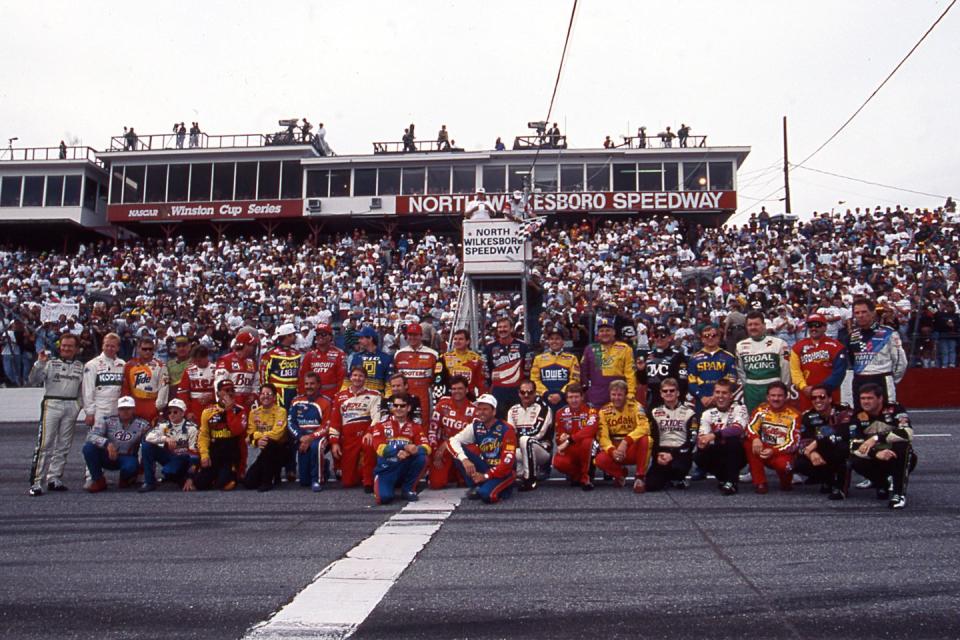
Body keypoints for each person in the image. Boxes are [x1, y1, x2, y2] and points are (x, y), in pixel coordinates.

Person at [28, 333, 84, 496]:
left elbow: (83, 389)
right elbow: (33, 380)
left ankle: (54, 478)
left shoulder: (81, 366)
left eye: (70, 346)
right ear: (60, 346)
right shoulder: (49, 363)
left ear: (76, 349)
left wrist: (78, 405)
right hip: (52, 403)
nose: (66, 348)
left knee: (64, 445)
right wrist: (39, 363)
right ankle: (36, 481)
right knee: (45, 444)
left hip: (71, 405)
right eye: (64, 345)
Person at [849, 383, 916, 509]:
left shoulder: (895, 409)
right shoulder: (857, 415)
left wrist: (876, 438)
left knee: (903, 446)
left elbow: (907, 433)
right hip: (875, 457)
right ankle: (880, 482)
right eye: (863, 398)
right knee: (854, 459)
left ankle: (899, 494)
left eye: (869, 398)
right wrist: (876, 453)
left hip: (894, 455)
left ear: (880, 399)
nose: (865, 402)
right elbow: (854, 444)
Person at [446, 394, 518, 503]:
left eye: (485, 409)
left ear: (494, 412)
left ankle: (493, 487)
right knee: (459, 454)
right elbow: (452, 441)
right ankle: (479, 484)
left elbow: (507, 462)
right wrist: (464, 459)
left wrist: (485, 476)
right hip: (486, 467)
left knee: (486, 496)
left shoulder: (507, 429)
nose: (481, 412)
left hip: (504, 471)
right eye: (479, 409)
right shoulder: (476, 426)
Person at [794, 385, 853, 500]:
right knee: (799, 463)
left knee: (841, 448)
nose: (818, 401)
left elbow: (843, 432)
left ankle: (841, 489)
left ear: (830, 399)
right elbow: (802, 441)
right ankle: (828, 480)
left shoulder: (843, 411)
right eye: (814, 398)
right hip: (822, 453)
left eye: (822, 397)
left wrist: (817, 443)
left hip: (842, 449)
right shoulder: (808, 416)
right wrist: (811, 453)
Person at [845, 297, 907, 408]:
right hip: (860, 381)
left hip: (882, 379)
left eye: (864, 312)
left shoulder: (888, 333)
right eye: (857, 313)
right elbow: (852, 360)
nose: (860, 315)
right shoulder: (852, 336)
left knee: (886, 420)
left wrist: (891, 380)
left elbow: (900, 362)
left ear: (873, 313)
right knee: (860, 419)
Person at [329, 366, 383, 492]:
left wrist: (370, 432)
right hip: (348, 438)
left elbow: (377, 417)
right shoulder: (340, 396)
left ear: (365, 379)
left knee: (369, 444)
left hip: (366, 435)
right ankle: (358, 472)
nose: (357, 378)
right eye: (355, 375)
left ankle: (368, 481)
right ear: (350, 377)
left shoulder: (375, 395)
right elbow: (335, 421)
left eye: (360, 376)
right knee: (348, 482)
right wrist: (334, 442)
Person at [82, 396, 150, 493]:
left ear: (133, 409)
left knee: (131, 466)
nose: (125, 412)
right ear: (118, 410)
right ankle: (98, 480)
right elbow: (91, 436)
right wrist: (106, 444)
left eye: (128, 409)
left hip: (127, 457)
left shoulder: (143, 424)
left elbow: (149, 440)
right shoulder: (107, 421)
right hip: (108, 455)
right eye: (122, 409)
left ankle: (126, 478)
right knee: (88, 448)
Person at [370, 395, 430, 504]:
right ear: (392, 407)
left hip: (404, 467)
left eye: (402, 406)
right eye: (396, 405)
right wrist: (401, 448)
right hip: (387, 468)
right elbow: (380, 449)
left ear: (409, 408)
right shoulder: (380, 426)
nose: (398, 408)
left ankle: (408, 489)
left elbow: (427, 447)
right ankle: (380, 481)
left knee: (422, 458)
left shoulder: (415, 427)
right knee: (384, 499)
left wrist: (410, 451)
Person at [594, 379, 651, 492]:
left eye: (620, 394)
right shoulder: (604, 411)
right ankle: (620, 474)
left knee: (646, 439)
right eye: (613, 394)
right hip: (615, 449)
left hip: (631, 447)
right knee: (598, 460)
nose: (616, 398)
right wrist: (612, 451)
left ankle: (639, 477)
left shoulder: (635, 406)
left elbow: (645, 427)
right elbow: (603, 437)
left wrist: (626, 442)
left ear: (625, 394)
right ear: (609, 395)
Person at [744, 381, 801, 493]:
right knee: (748, 443)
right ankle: (760, 483)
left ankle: (786, 482)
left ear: (786, 397)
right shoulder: (760, 410)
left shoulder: (795, 415)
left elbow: (794, 443)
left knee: (784, 469)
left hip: (782, 453)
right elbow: (750, 427)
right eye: (773, 395)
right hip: (764, 448)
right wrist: (755, 438)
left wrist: (774, 451)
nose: (776, 399)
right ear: (768, 397)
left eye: (779, 395)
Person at [694, 379, 748, 495]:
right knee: (699, 455)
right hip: (718, 451)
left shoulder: (740, 408)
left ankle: (731, 482)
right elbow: (703, 437)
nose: (720, 396)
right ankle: (722, 477)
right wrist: (702, 442)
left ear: (731, 395)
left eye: (724, 393)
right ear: (713, 394)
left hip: (738, 453)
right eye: (717, 392)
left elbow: (737, 429)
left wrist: (714, 435)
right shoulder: (707, 413)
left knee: (732, 440)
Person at [646, 378, 698, 492]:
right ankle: (667, 478)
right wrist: (656, 454)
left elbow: (692, 440)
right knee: (650, 486)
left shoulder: (690, 412)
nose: (668, 393)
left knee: (677, 468)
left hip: (681, 453)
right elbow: (652, 437)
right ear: (661, 394)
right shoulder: (655, 413)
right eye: (665, 391)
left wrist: (673, 454)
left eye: (672, 390)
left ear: (678, 393)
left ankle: (677, 478)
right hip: (662, 452)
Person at [735, 311, 791, 415]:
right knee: (753, 420)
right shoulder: (740, 346)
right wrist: (747, 386)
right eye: (750, 325)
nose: (753, 327)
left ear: (764, 325)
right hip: (751, 390)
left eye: (756, 324)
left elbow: (786, 369)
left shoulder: (779, 343)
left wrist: (783, 389)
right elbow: (740, 371)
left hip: (774, 389)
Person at [790, 313, 848, 412]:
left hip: (830, 394)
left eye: (817, 325)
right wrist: (803, 387)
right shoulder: (797, 347)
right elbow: (795, 371)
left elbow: (839, 372)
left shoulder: (837, 346)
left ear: (825, 327)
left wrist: (822, 389)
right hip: (807, 394)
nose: (813, 328)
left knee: (833, 423)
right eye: (810, 326)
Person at [195, 381, 247, 491]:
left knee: (223, 485)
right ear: (218, 394)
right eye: (226, 391)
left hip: (231, 455)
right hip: (214, 453)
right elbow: (203, 436)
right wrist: (204, 455)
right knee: (200, 484)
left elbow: (237, 430)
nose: (230, 393)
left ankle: (231, 475)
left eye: (232, 390)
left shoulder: (240, 410)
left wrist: (229, 411)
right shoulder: (208, 411)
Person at [139, 398, 199, 492]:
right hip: (170, 456)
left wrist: (190, 478)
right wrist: (165, 439)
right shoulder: (164, 425)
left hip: (185, 459)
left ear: (183, 413)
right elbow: (148, 437)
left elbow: (195, 455)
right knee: (147, 446)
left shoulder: (192, 428)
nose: (171, 414)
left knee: (168, 471)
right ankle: (149, 482)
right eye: (169, 412)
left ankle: (182, 478)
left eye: (175, 412)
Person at [427, 376, 476, 489]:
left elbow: (473, 437)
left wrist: (447, 444)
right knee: (436, 484)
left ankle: (459, 474)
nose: (456, 391)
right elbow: (432, 430)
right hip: (443, 449)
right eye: (454, 389)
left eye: (460, 388)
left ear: (466, 390)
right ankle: (451, 473)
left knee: (466, 482)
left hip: (463, 448)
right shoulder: (442, 405)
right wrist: (434, 452)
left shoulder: (473, 410)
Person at [287, 371, 333, 491]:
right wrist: (301, 438)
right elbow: (291, 422)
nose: (309, 387)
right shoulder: (296, 400)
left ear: (318, 385)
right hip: (301, 438)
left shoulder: (326, 401)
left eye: (312, 384)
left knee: (315, 447)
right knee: (304, 481)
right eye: (306, 384)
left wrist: (311, 437)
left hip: (319, 438)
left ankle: (316, 480)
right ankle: (324, 466)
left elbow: (327, 426)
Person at [507, 379, 553, 491]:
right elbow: (510, 432)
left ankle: (530, 479)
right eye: (523, 392)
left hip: (542, 450)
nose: (526, 395)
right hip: (520, 448)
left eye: (530, 392)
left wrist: (520, 437)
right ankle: (516, 473)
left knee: (525, 440)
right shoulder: (512, 410)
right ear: (519, 393)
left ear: (535, 393)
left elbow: (538, 433)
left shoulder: (544, 408)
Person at [581, 317, 636, 408]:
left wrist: (630, 392)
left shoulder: (625, 348)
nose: (605, 333)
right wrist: (585, 391)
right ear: (597, 333)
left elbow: (630, 373)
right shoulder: (591, 349)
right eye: (601, 331)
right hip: (596, 396)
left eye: (608, 330)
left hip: (618, 395)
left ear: (614, 332)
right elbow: (583, 373)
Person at [551, 383, 599, 490]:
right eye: (570, 397)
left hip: (588, 448)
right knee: (558, 462)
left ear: (582, 397)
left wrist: (570, 439)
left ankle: (587, 477)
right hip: (570, 449)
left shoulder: (591, 410)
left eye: (576, 397)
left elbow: (591, 430)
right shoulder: (560, 413)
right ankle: (577, 475)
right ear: (566, 399)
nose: (574, 400)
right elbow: (558, 437)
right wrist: (561, 439)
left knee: (588, 441)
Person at [243, 383, 288, 492]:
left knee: (270, 443)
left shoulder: (281, 411)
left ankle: (267, 481)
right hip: (263, 450)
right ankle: (272, 474)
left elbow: (277, 434)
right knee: (249, 483)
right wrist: (257, 441)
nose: (265, 396)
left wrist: (257, 436)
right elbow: (250, 435)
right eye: (263, 393)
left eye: (268, 394)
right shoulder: (254, 413)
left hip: (281, 450)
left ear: (274, 397)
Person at [484, 316, 532, 418]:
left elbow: (528, 369)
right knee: (499, 420)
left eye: (505, 327)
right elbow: (485, 370)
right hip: (498, 390)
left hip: (517, 390)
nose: (502, 329)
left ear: (511, 328)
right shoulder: (489, 347)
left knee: (518, 418)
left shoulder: (523, 346)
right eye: (499, 327)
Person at [686, 324, 736, 413]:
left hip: (723, 401)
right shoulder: (694, 359)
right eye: (706, 336)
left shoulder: (729, 357)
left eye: (713, 335)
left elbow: (732, 380)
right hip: (702, 401)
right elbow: (691, 383)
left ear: (718, 338)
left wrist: (716, 397)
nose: (710, 338)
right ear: (702, 339)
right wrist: (701, 397)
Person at [393, 323, 439, 417]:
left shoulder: (433, 354)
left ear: (421, 336)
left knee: (424, 422)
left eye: (415, 335)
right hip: (404, 398)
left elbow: (437, 379)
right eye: (410, 335)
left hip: (425, 397)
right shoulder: (399, 354)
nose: (412, 337)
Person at [530, 327, 580, 412]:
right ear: (548, 341)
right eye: (551, 339)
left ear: (563, 341)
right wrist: (545, 393)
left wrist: (561, 394)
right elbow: (534, 379)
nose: (554, 341)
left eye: (557, 339)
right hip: (544, 399)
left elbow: (575, 379)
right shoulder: (538, 358)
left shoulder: (572, 358)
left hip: (565, 400)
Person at [638, 325, 688, 409]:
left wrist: (679, 399)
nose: (659, 338)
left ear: (669, 338)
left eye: (663, 336)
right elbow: (643, 381)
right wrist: (641, 370)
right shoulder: (647, 355)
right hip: (652, 399)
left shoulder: (677, 355)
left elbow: (683, 381)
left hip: (671, 399)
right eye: (656, 336)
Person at [260, 323, 303, 412]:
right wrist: (267, 393)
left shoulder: (296, 353)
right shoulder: (271, 353)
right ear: (287, 336)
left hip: (295, 390)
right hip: (278, 391)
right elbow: (263, 375)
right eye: (293, 334)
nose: (295, 337)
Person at [121, 336, 164, 424]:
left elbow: (164, 389)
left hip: (152, 405)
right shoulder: (129, 365)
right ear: (138, 349)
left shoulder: (161, 366)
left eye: (150, 349)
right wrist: (126, 407)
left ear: (153, 350)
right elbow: (125, 388)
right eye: (144, 349)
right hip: (134, 405)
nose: (147, 351)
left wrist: (158, 408)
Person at [298, 322, 347, 401]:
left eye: (323, 334)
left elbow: (342, 379)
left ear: (330, 337)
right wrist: (303, 396)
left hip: (332, 397)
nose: (320, 336)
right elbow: (302, 377)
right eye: (318, 334)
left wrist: (338, 397)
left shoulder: (339, 354)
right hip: (313, 397)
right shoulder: (309, 355)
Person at [168, 345, 216, 423]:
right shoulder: (189, 371)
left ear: (206, 357)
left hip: (213, 407)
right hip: (195, 409)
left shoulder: (216, 369)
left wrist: (212, 396)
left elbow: (222, 389)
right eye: (195, 360)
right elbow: (182, 393)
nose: (197, 363)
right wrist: (187, 411)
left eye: (199, 360)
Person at [214, 331, 259, 410]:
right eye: (251, 345)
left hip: (247, 404)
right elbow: (218, 384)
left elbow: (256, 383)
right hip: (230, 403)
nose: (253, 347)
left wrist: (254, 395)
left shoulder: (252, 363)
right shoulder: (226, 360)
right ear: (243, 345)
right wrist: (223, 403)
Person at [438, 329, 485, 399]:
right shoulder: (444, 357)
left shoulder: (477, 359)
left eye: (460, 339)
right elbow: (439, 381)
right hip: (450, 397)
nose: (457, 341)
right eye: (455, 339)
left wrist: (482, 399)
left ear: (468, 341)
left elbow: (481, 383)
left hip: (469, 397)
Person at [346, 325, 393, 394]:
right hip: (358, 399)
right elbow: (348, 381)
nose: (359, 341)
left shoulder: (386, 358)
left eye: (361, 338)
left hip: (377, 400)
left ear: (370, 338)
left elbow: (389, 385)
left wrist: (386, 401)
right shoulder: (356, 357)